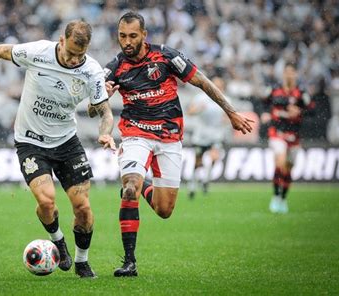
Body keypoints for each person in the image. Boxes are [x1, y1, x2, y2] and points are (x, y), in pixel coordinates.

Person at [0, 20, 115, 278]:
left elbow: (103, 112)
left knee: (83, 208)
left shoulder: (91, 71)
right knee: (46, 201)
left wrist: (104, 134)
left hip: (67, 142)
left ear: (87, 49)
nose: (72, 59)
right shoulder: (38, 52)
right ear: (61, 40)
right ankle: (58, 242)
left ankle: (82, 262)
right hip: (30, 141)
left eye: (78, 55)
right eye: (69, 52)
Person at [90, 12, 253, 277]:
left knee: (164, 210)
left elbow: (202, 81)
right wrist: (102, 96)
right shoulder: (114, 67)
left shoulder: (167, 57)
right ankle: (129, 262)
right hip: (135, 133)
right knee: (129, 187)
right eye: (122, 36)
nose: (127, 42)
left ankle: (142, 185)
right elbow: (91, 107)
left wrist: (231, 112)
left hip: (169, 136)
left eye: (133, 36)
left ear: (144, 35)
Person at [261, 63, 313, 214]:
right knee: (281, 161)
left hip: (294, 135)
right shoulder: (274, 89)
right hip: (277, 132)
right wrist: (265, 113)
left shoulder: (301, 92)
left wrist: (300, 111)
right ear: (283, 74)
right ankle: (275, 196)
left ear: (295, 74)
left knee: (289, 168)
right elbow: (263, 102)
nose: (289, 75)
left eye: (292, 72)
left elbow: (312, 110)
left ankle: (283, 198)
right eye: (287, 72)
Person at [186, 76, 230, 198]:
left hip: (216, 134)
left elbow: (229, 117)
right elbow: (190, 112)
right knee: (198, 162)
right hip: (200, 135)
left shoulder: (225, 99)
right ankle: (192, 185)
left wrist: (225, 120)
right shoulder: (201, 98)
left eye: (219, 85)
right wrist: (199, 109)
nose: (217, 87)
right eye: (215, 84)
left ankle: (205, 180)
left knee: (215, 158)